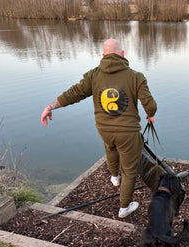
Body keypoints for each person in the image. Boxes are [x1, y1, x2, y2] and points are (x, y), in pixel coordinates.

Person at [41, 38, 157, 218]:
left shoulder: (93, 75)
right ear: (123, 54)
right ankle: (124, 208)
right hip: (127, 132)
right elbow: (150, 105)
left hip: (103, 128)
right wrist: (150, 114)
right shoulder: (136, 76)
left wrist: (50, 107)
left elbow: (74, 94)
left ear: (103, 55)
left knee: (110, 147)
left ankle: (114, 177)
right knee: (129, 169)